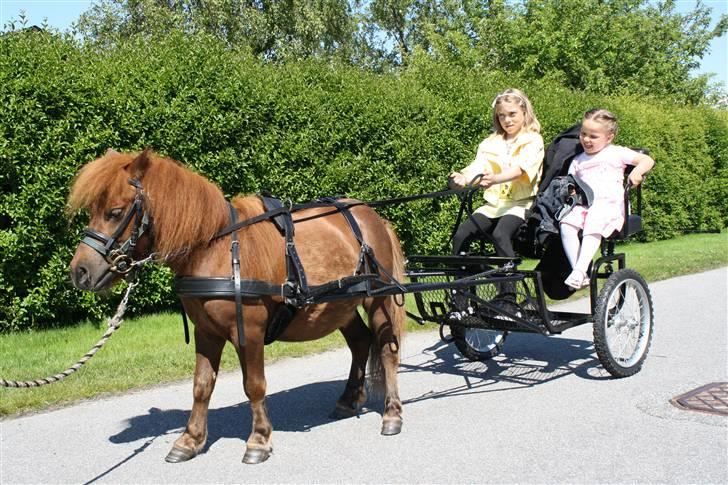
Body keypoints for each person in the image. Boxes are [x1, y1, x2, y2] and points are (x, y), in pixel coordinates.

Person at [560, 109, 655, 289]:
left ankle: (579, 270)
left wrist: (636, 171)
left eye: (593, 136)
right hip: (586, 205)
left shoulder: (616, 153)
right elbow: (570, 183)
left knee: (595, 217)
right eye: (583, 134)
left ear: (609, 137)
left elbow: (647, 160)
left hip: (611, 206)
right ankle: (579, 271)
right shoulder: (578, 160)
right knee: (566, 223)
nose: (586, 139)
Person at [449, 88, 544, 258]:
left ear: (524, 112)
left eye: (512, 114)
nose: (507, 120)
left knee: (500, 235)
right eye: (502, 115)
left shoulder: (533, 140)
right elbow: (478, 167)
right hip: (494, 206)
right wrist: (462, 179)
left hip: (521, 205)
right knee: (460, 236)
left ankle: (508, 282)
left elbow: (519, 169)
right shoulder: (489, 143)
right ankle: (463, 283)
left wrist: (495, 179)